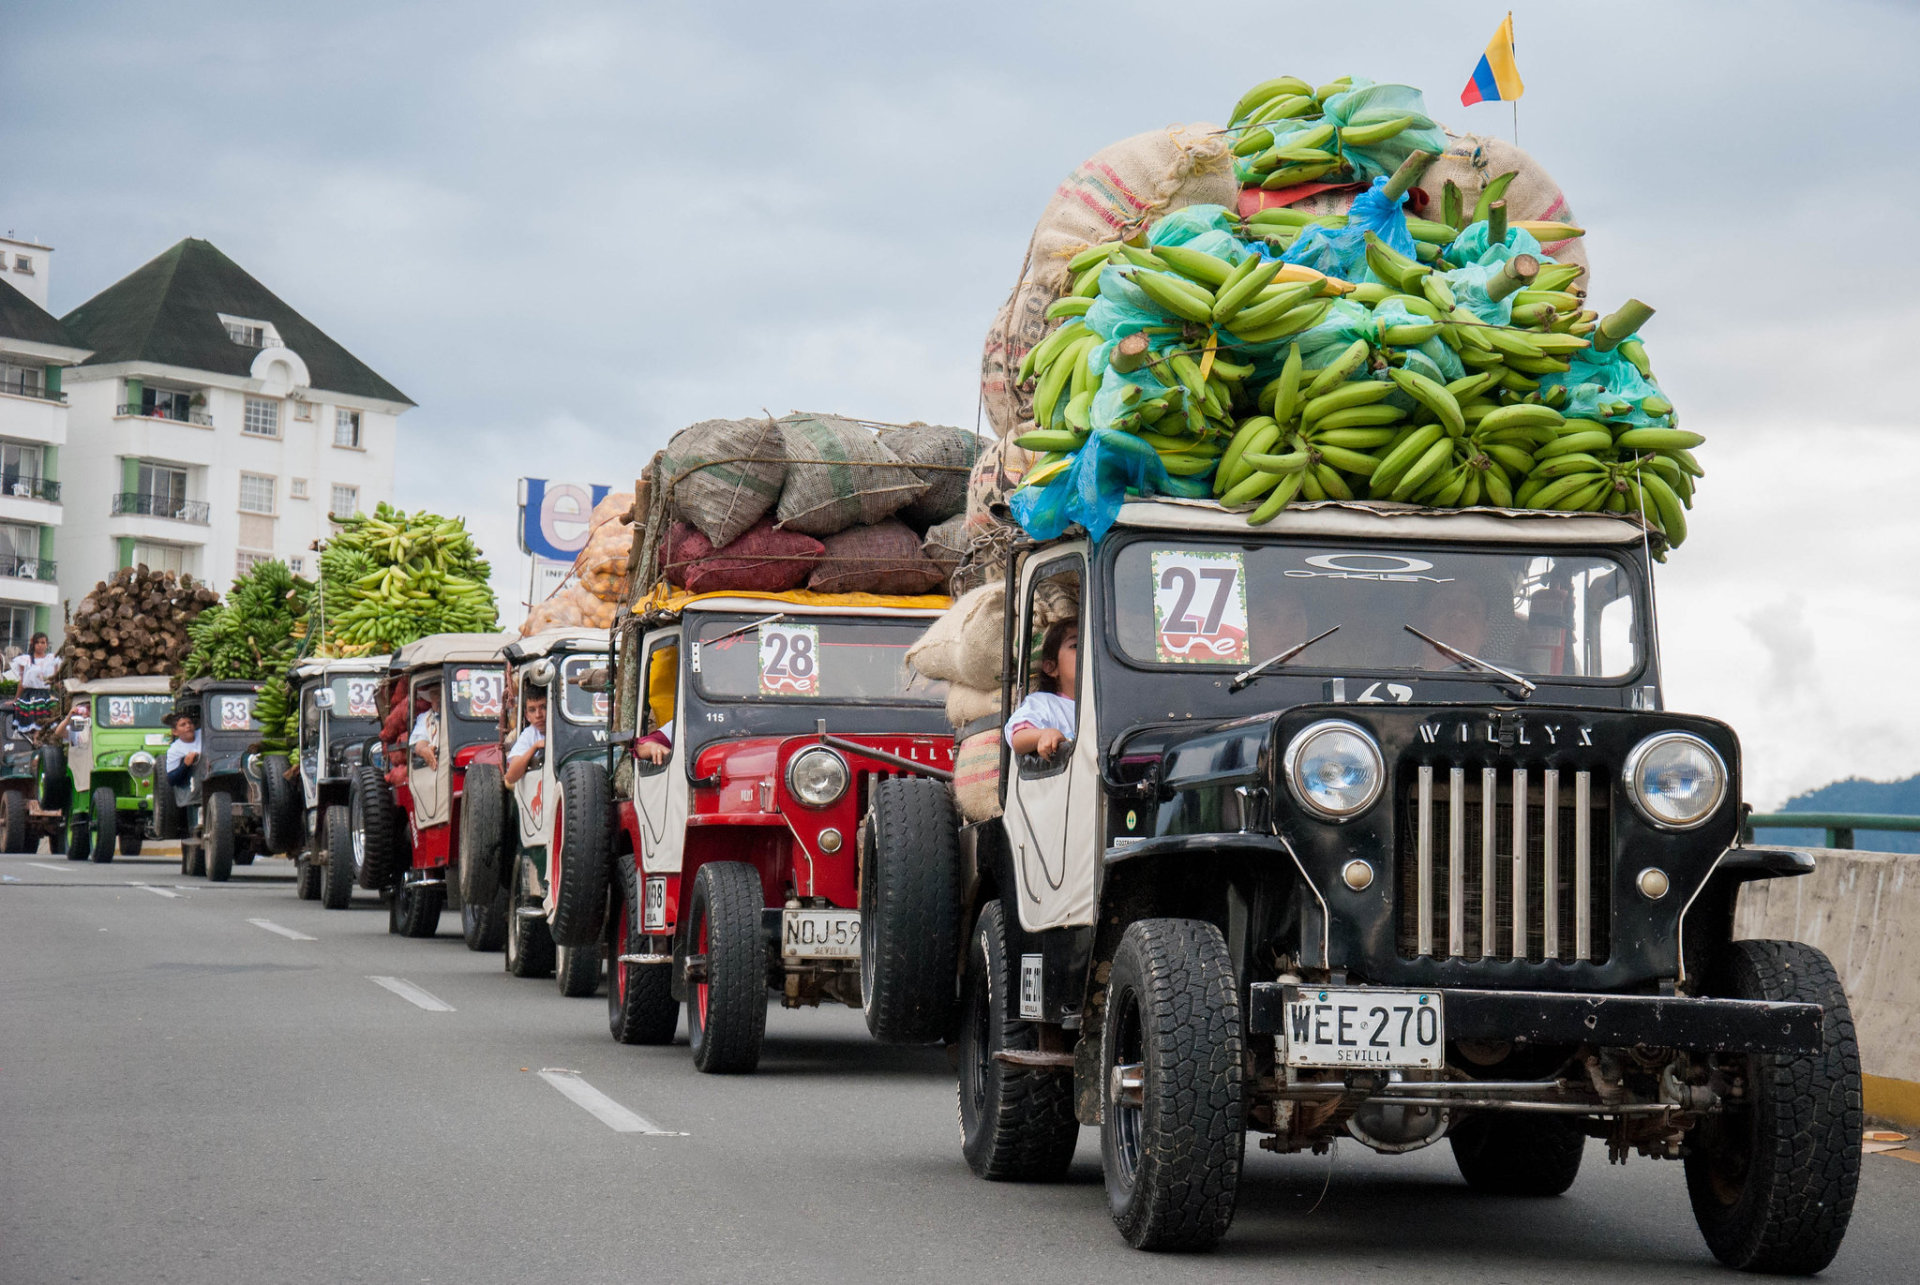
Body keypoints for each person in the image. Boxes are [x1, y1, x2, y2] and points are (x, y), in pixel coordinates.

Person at [1006, 619, 1078, 763]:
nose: (1088, 652)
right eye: (1075, 645)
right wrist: (1044, 734)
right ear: (1051, 667)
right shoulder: (1044, 703)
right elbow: (1018, 738)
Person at [503, 690, 546, 786]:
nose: (538, 715)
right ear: (527, 715)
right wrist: (535, 747)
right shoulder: (529, 734)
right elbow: (511, 777)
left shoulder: (567, 728)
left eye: (543, 707)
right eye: (532, 710)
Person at [164, 711, 201, 790]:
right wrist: (185, 765)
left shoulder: (202, 734)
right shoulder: (174, 750)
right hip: (191, 789)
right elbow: (171, 780)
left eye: (190, 723)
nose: (188, 726)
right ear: (175, 732)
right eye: (183, 725)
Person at [409, 687, 441, 770]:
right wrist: (424, 750)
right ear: (431, 699)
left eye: (441, 695)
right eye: (435, 695)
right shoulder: (425, 718)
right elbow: (420, 741)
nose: (439, 699)